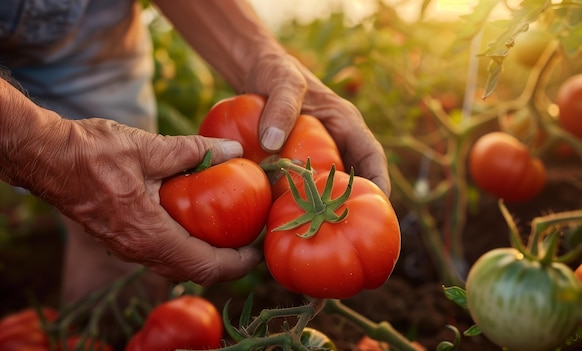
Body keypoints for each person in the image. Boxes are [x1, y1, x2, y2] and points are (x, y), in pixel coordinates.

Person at [0, 0, 390, 304]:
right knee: (105, 199)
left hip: (87, 23)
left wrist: (258, 56)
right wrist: (39, 144)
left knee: (118, 220)